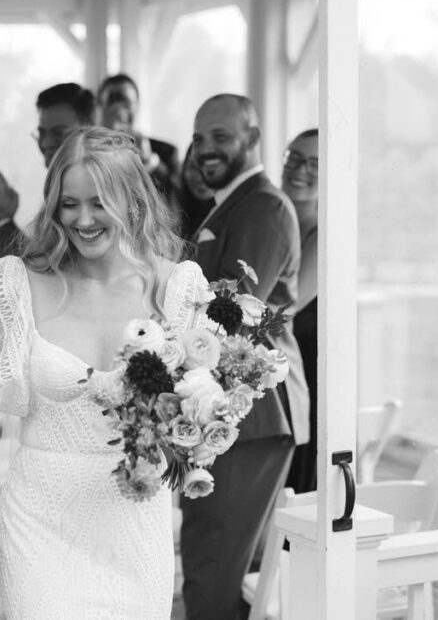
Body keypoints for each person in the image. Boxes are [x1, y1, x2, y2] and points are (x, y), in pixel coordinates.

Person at [0, 126, 213, 618]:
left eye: (99, 202)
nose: (83, 219)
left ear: (133, 199)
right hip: (41, 523)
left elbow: (201, 410)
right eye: (68, 204)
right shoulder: (16, 283)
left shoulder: (180, 289)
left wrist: (206, 423)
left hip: (134, 528)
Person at [180, 94, 309, 619]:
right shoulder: (231, 201)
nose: (206, 149)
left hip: (247, 411)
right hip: (232, 412)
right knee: (225, 569)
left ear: (253, 140)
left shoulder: (264, 206)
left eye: (221, 137)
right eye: (199, 138)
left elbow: (228, 309)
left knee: (214, 567)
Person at [0, 82, 95, 258]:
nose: (46, 143)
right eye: (41, 133)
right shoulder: (58, 185)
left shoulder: (94, 187)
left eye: (58, 133)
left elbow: (51, 271)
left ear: (90, 130)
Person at [282, 128, 319, 494]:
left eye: (313, 163)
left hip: (310, 374)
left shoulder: (324, 235)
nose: (299, 169)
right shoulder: (278, 219)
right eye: (293, 158)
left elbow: (285, 308)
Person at [97, 73, 180, 202]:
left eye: (126, 101)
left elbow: (176, 199)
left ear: (137, 106)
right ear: (99, 108)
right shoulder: (86, 150)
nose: (119, 109)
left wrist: (149, 161)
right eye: (112, 101)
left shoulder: (166, 151)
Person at [176, 143, 215, 239]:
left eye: (209, 167)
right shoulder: (176, 214)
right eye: (193, 167)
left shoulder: (232, 220)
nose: (199, 177)